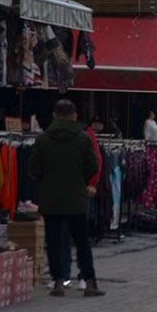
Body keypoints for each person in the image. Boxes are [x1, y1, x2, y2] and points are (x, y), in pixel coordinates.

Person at [29, 99, 105, 297]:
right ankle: (89, 281)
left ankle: (58, 281)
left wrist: (47, 180)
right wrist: (81, 180)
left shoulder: (43, 139)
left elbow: (34, 169)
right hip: (76, 198)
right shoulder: (82, 139)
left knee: (54, 241)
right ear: (74, 115)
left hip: (51, 199)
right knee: (81, 242)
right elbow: (92, 166)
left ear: (54, 115)